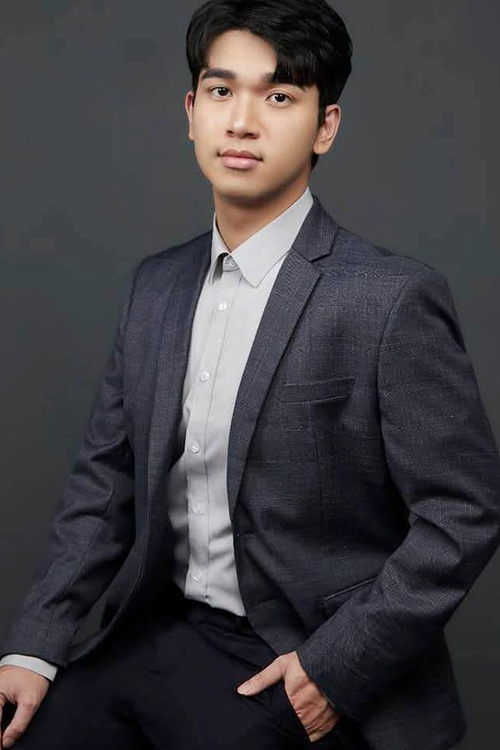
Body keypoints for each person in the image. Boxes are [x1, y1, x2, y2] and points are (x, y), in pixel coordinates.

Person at [1, 1, 499, 748]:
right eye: (221, 90)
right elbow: (105, 485)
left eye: (279, 95)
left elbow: (464, 512)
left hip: (294, 653)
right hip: (154, 630)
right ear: (191, 112)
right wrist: (34, 645)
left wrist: (334, 669)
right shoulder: (155, 286)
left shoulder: (389, 298)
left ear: (325, 126)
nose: (241, 122)